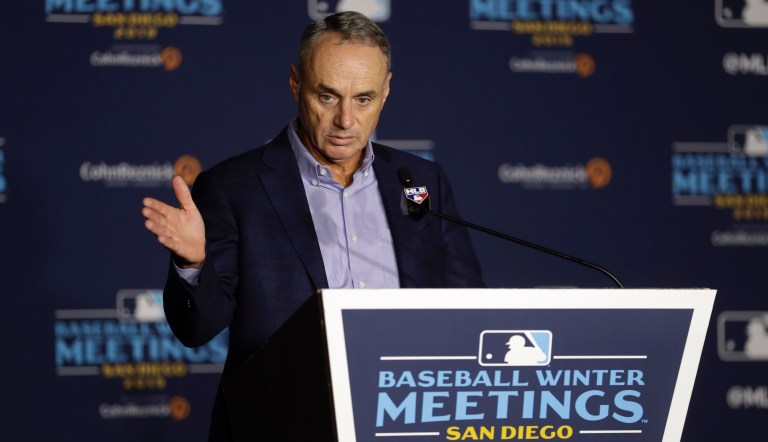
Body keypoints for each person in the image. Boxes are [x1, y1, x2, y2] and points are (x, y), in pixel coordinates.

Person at [142, 10, 484, 441]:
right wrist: (193, 263)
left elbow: (469, 307)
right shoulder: (235, 187)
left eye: (363, 99)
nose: (345, 120)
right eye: (327, 97)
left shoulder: (419, 181)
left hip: (406, 422)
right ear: (295, 83)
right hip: (284, 424)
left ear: (387, 91)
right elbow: (198, 328)